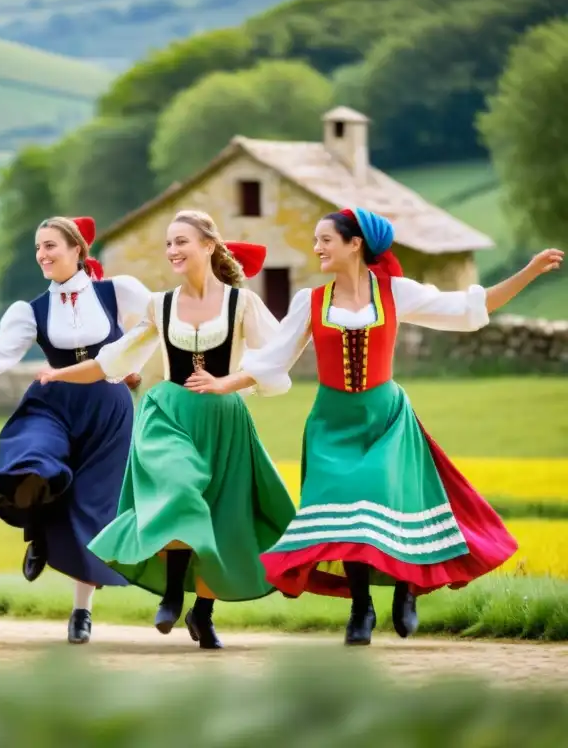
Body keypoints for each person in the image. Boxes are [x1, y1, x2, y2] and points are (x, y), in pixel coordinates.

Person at [210, 207, 563, 645]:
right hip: (331, 423)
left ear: (354, 244)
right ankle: (361, 607)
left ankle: (406, 589)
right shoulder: (311, 301)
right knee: (347, 509)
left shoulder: (397, 292)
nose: (317, 247)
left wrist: (529, 271)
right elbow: (273, 359)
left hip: (386, 418)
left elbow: (469, 306)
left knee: (381, 497)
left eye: (325, 240)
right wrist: (225, 382)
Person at [37, 210, 296, 650]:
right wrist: (58, 375)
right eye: (169, 243)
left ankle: (204, 613)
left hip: (223, 419)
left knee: (221, 515)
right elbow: (113, 360)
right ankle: (175, 590)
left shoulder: (241, 303)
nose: (173, 251)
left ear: (209, 246)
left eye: (182, 242)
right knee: (179, 489)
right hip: (169, 412)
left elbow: (275, 362)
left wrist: (226, 382)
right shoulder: (161, 305)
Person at [0, 216, 150, 644]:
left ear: (77, 250)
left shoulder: (118, 292)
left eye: (51, 246)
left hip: (107, 409)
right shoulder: (32, 310)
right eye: (38, 248)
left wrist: (132, 367)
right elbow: (5, 348)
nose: (43, 255)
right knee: (33, 459)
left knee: (91, 509)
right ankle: (38, 531)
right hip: (54, 400)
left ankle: (81, 613)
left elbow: (156, 324)